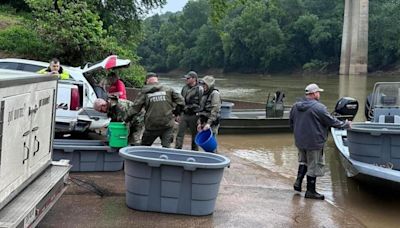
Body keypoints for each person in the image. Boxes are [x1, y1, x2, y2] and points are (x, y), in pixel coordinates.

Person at [289, 83, 351, 200]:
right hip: (314, 142)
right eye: (318, 92)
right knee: (313, 165)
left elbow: (291, 122)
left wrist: (298, 134)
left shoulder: (295, 106)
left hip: (300, 141)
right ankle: (310, 191)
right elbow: (331, 121)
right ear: (313, 94)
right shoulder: (319, 107)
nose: (319, 94)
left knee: (303, 161)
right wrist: (345, 124)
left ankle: (298, 182)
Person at [126, 72, 185, 148]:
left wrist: (126, 119)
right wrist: (176, 112)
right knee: (167, 149)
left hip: (151, 126)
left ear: (147, 81)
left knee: (144, 148)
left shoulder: (144, 92)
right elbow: (181, 101)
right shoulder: (168, 89)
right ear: (157, 79)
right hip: (167, 124)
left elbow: (135, 108)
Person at [175, 71, 203, 150]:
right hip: (184, 114)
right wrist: (178, 114)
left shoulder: (200, 89)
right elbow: (180, 101)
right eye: (186, 78)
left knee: (195, 136)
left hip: (194, 115)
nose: (186, 79)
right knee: (179, 134)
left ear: (194, 79)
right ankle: (177, 150)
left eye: (188, 78)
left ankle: (194, 152)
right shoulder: (184, 88)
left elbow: (202, 104)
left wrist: (200, 118)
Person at [197, 75, 221, 151]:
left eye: (205, 84)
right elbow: (201, 110)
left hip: (212, 123)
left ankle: (214, 159)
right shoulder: (204, 94)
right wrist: (199, 123)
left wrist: (208, 123)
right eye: (202, 84)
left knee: (211, 145)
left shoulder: (215, 94)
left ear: (209, 85)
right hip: (204, 122)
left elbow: (215, 110)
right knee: (203, 146)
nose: (203, 86)